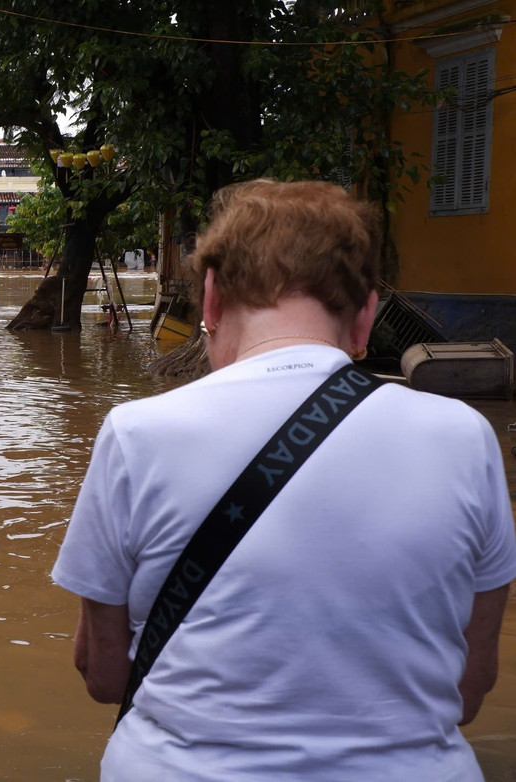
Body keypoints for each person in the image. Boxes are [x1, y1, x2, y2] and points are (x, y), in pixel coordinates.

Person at [53, 179, 516, 781]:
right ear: (367, 315)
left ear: (211, 298)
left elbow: (104, 675)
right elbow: (471, 687)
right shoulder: (466, 436)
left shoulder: (137, 433)